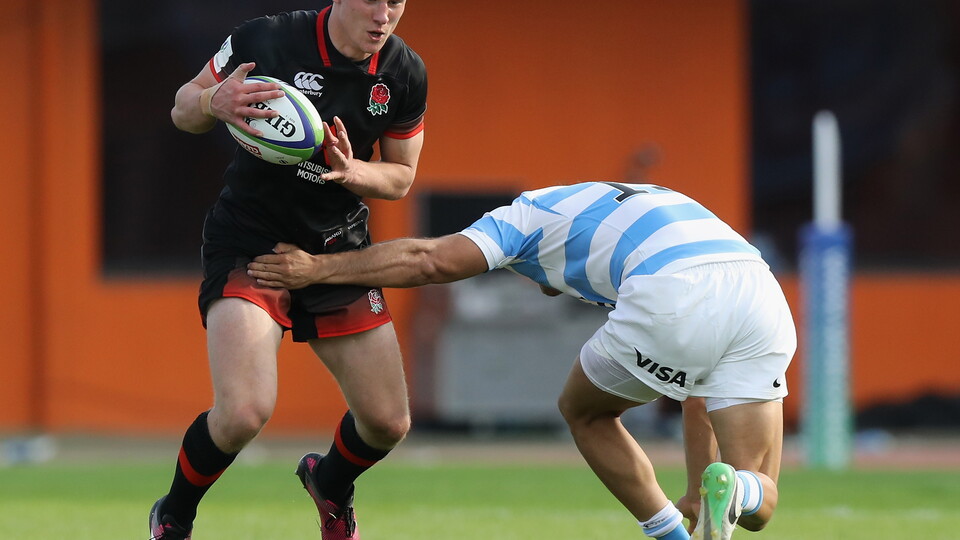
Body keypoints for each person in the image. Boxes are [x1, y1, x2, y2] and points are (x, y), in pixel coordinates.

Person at [246, 181, 797, 540]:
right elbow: (699, 395)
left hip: (672, 289)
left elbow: (429, 260)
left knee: (585, 412)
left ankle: (669, 536)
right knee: (760, 498)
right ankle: (739, 492)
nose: (545, 290)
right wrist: (700, 491)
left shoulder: (521, 217)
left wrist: (317, 269)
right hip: (759, 290)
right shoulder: (622, 200)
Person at [151, 1, 426, 539]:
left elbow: (401, 176)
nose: (384, 15)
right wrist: (212, 100)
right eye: (373, 0)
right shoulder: (266, 39)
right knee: (243, 413)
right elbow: (183, 109)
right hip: (251, 243)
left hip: (335, 248)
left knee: (388, 422)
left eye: (396, 2)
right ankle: (175, 515)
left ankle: (331, 484)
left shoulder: (404, 71)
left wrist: (352, 171)